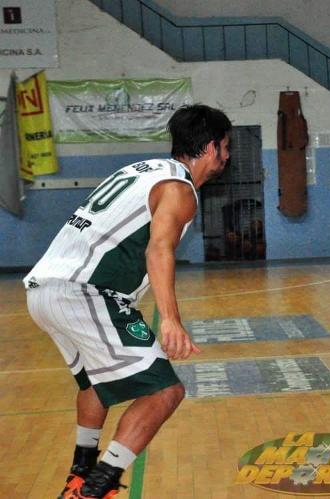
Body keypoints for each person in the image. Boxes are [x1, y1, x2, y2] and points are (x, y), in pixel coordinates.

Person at [24, 104, 232, 499]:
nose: (227, 156)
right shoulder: (179, 189)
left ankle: (80, 474)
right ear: (210, 148)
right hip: (86, 293)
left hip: (43, 290)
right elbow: (158, 250)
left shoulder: (141, 170)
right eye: (225, 147)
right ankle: (96, 489)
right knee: (164, 391)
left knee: (95, 385)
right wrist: (169, 318)